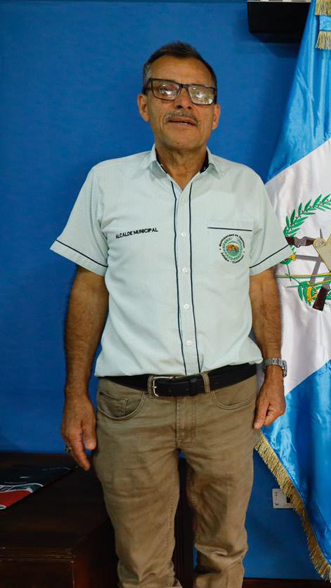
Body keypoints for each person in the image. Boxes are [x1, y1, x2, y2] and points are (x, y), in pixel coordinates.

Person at [53, 42, 291, 588]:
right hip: (132, 406)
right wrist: (74, 393)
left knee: (224, 554)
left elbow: (261, 285)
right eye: (167, 89)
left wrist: (275, 369)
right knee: (142, 565)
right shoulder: (106, 182)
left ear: (216, 113)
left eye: (199, 93)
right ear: (144, 105)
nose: (184, 102)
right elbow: (88, 290)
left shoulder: (245, 186)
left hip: (227, 401)